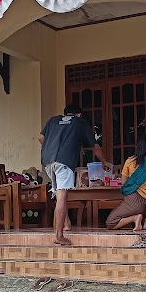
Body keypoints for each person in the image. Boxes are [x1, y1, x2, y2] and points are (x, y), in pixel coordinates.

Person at [39, 104, 110, 245]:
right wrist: (104, 162)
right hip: (64, 162)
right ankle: (59, 235)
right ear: (78, 114)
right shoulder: (80, 122)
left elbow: (41, 138)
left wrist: (50, 148)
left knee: (59, 195)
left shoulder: (53, 120)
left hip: (48, 161)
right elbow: (95, 146)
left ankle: (66, 225)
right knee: (62, 197)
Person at [106, 134, 146, 231]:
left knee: (110, 222)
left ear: (137, 147)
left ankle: (135, 218)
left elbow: (124, 183)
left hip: (135, 202)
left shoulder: (130, 161)